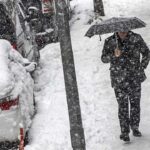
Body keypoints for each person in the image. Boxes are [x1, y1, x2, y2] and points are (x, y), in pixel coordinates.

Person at [101, 31, 150, 142]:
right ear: (116, 30)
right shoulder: (110, 41)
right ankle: (124, 131)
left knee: (135, 104)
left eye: (125, 29)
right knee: (122, 106)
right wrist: (113, 54)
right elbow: (103, 58)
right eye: (120, 30)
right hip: (118, 79)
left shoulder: (136, 38)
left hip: (134, 77)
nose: (123, 32)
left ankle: (135, 127)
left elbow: (147, 52)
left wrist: (142, 67)